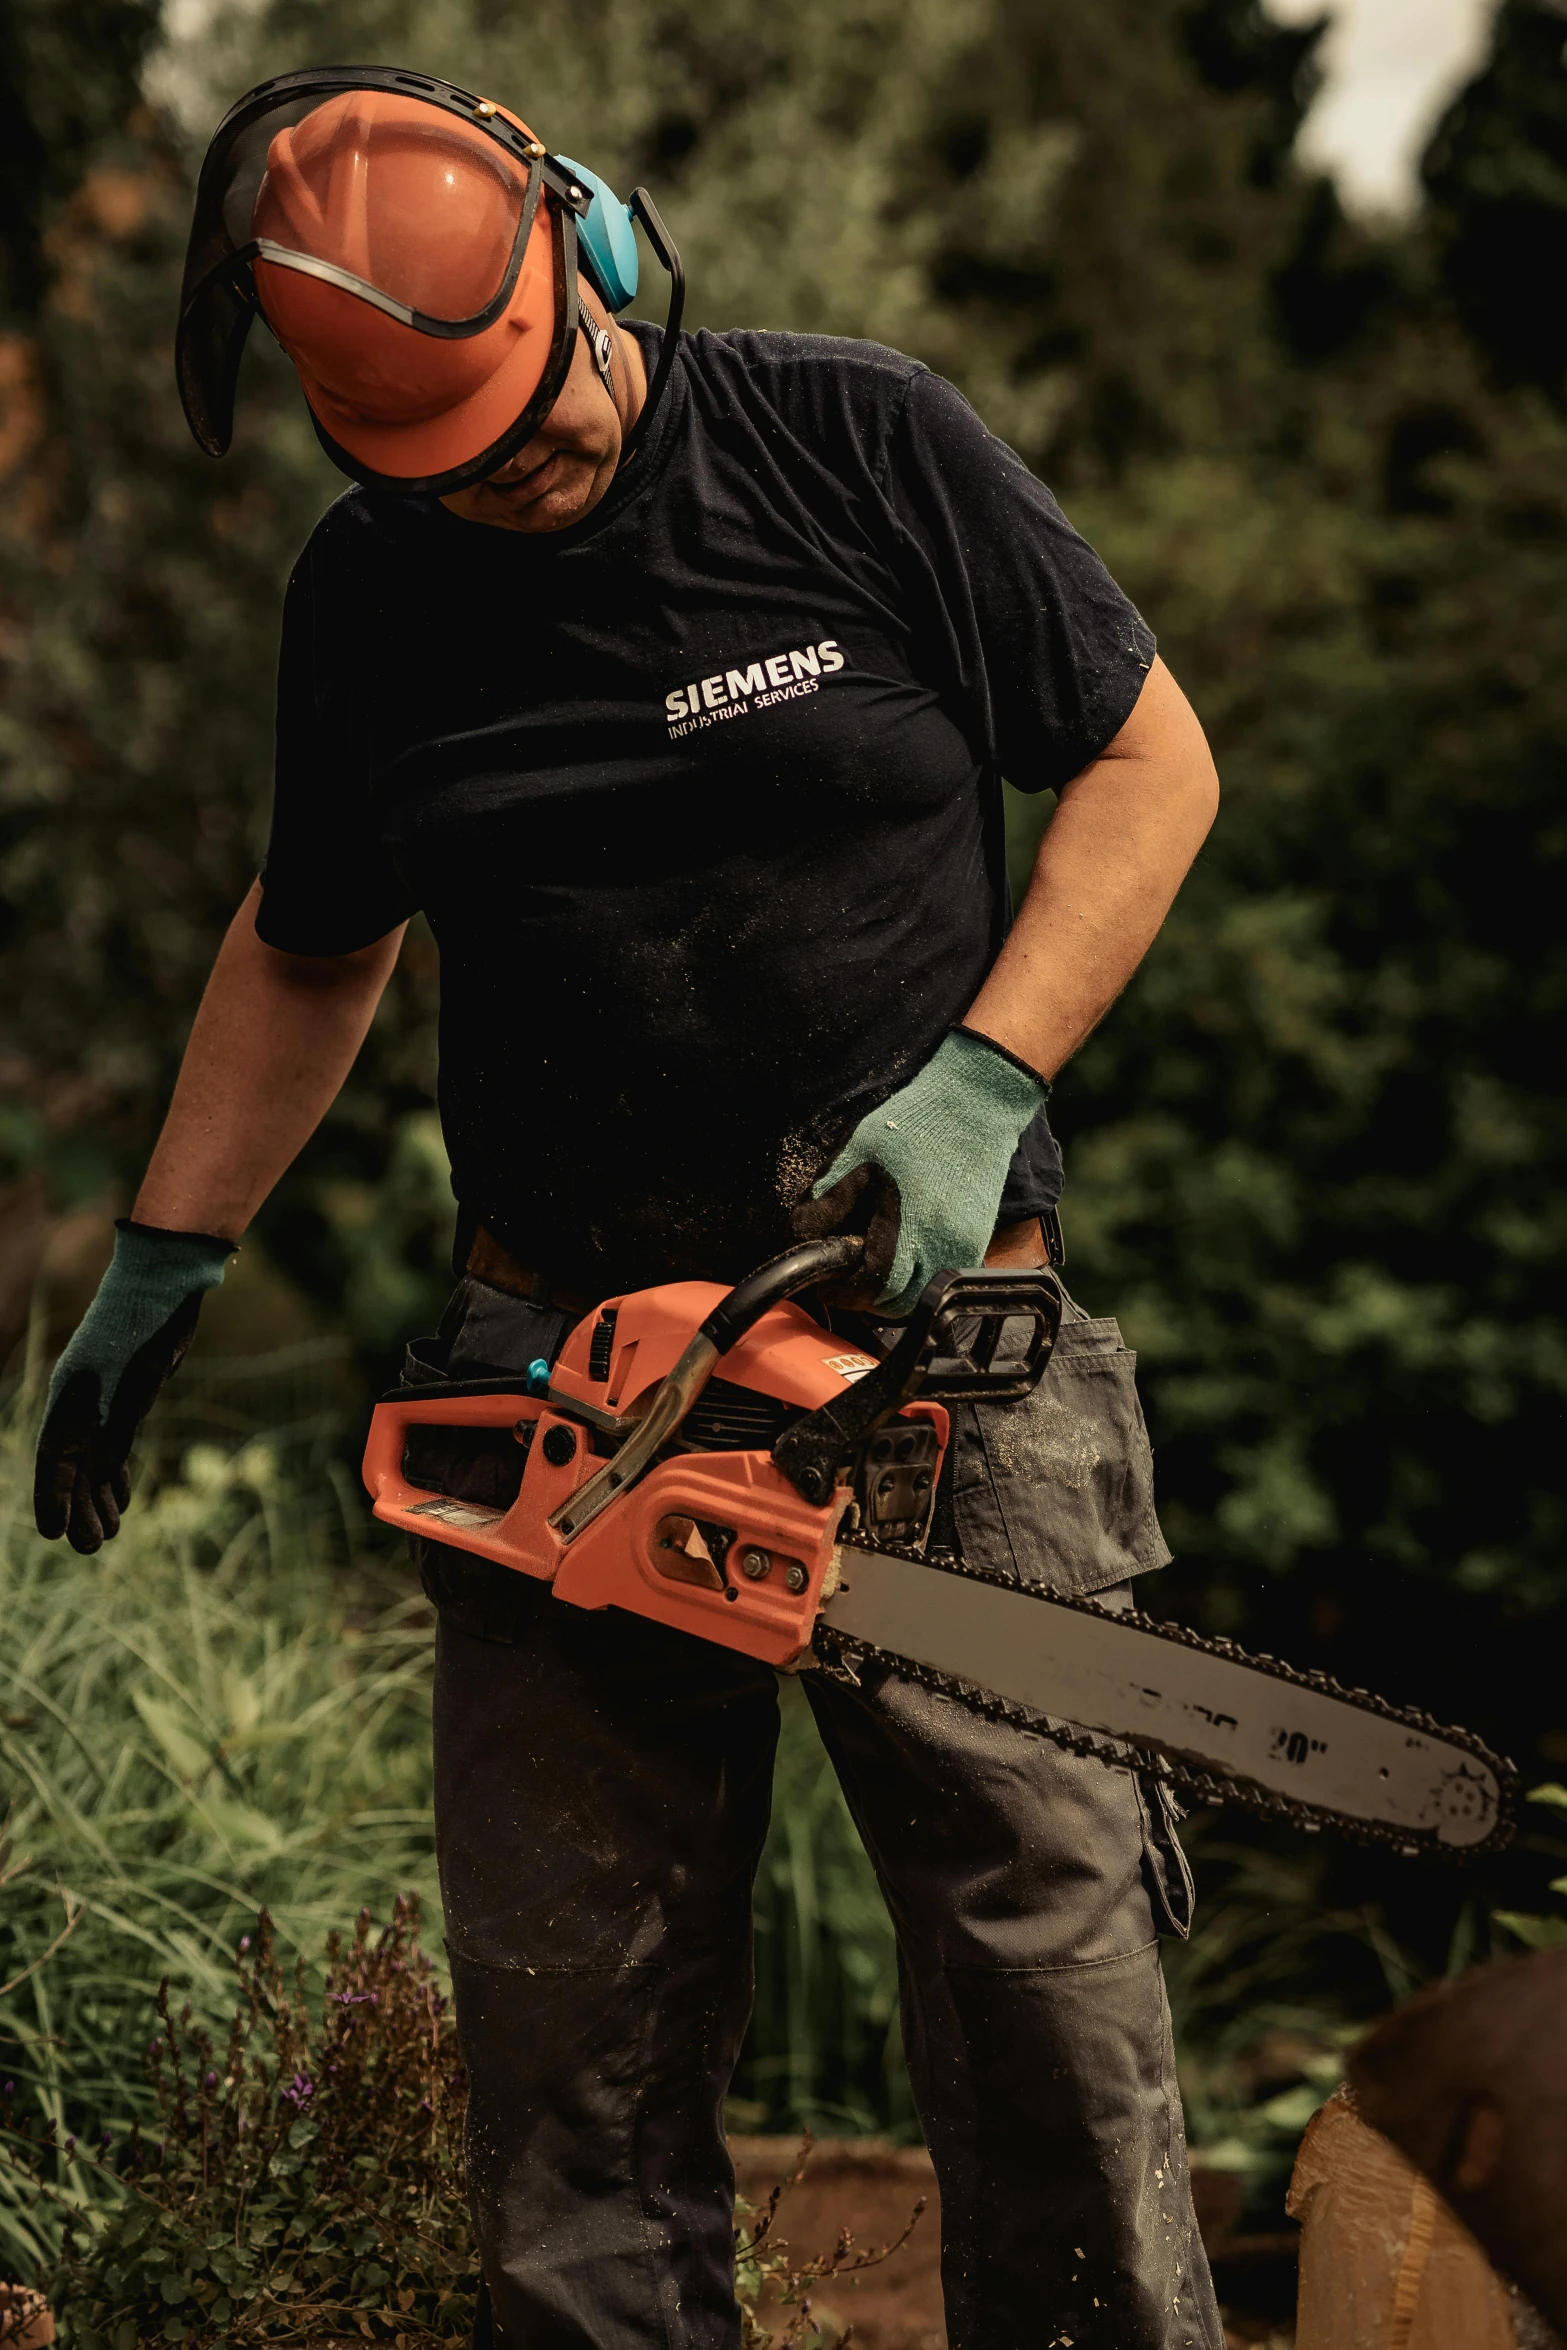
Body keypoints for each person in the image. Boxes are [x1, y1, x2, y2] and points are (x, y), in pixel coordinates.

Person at [34, 72, 1224, 2350]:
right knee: (570, 2045)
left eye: (537, 418)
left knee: (1048, 2000)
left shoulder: (856, 443)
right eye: (454, 459)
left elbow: (1148, 757)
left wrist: (984, 1077)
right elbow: (310, 938)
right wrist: (168, 1253)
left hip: (935, 1375)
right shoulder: (373, 595)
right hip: (573, 1390)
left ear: (589, 252)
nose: (521, 472)